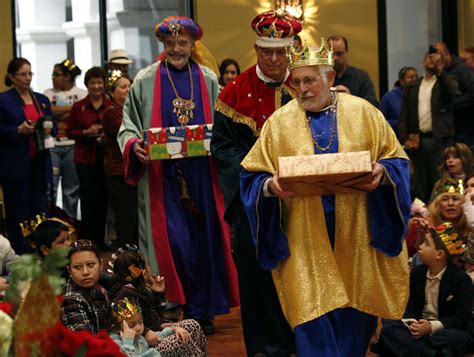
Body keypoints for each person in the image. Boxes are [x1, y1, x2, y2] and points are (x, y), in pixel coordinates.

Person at [239, 39, 412, 356]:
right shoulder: (279, 123)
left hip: (357, 234)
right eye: (297, 82)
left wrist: (382, 173)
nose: (302, 89)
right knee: (311, 315)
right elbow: (251, 175)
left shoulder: (365, 114)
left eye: (310, 80)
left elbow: (397, 161)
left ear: (330, 78)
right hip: (304, 239)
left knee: (354, 313)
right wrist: (270, 187)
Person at [117, 16, 239, 335]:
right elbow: (127, 124)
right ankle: (170, 303)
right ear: (162, 45)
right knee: (173, 239)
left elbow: (225, 125)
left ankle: (202, 308)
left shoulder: (209, 79)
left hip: (202, 175)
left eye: (182, 42)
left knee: (204, 239)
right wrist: (134, 146)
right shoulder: (144, 80)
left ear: (193, 45)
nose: (176, 48)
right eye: (170, 43)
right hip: (162, 177)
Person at [211, 9, 302, 356]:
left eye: (281, 52)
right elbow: (222, 148)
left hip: (302, 200)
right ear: (256, 49)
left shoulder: (304, 84)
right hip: (255, 206)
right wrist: (261, 180)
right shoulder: (234, 93)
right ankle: (266, 349)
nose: (275, 59)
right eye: (267, 52)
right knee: (259, 281)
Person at [373, 226, 473, 356]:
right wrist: (413, 323)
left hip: (442, 328)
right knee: (389, 327)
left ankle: (402, 347)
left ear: (439, 254)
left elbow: (461, 317)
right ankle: (431, 354)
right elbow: (411, 305)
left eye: (426, 244)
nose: (420, 246)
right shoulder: (418, 273)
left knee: (457, 338)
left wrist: (431, 327)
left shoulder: (461, 279)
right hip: (419, 325)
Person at [0, 57, 54, 254]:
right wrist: (17, 129)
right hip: (15, 163)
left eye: (29, 73)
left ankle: (39, 247)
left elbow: (51, 124)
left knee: (39, 206)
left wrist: (49, 130)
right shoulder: (3, 100)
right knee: (17, 209)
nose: (27, 78)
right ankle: (20, 251)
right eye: (22, 74)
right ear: (12, 77)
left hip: (39, 160)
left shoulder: (42, 100)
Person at [108, 248, 206, 352]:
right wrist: (146, 331)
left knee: (192, 325)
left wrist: (158, 294)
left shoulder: (140, 289)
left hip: (155, 332)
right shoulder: (124, 294)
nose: (149, 268)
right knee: (182, 340)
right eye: (147, 265)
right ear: (140, 271)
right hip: (140, 345)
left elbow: (154, 316)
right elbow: (123, 325)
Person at [398, 51, 459, 204]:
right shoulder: (413, 85)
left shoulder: (446, 81)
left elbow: (453, 92)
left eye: (436, 58)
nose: (432, 59)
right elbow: (404, 114)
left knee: (438, 179)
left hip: (439, 138)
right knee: (419, 182)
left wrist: (440, 70)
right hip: (417, 140)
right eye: (429, 57)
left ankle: (440, 213)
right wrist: (404, 138)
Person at [67, 67, 112, 250]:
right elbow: (70, 131)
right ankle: (87, 241)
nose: (96, 86)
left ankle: (100, 240)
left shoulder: (110, 105)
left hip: (106, 158)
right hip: (85, 158)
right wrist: (86, 132)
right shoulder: (79, 107)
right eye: (93, 82)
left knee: (103, 200)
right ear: (87, 85)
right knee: (87, 200)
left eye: (100, 82)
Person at [44, 59, 87, 219]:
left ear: (68, 76)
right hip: (53, 145)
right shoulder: (48, 93)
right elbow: (49, 112)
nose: (53, 77)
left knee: (71, 188)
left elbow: (81, 118)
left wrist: (59, 111)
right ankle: (50, 222)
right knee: (51, 187)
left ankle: (70, 223)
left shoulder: (82, 93)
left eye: (57, 74)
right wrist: (73, 108)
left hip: (73, 146)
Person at [102, 70, 137, 247]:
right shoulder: (110, 112)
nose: (128, 89)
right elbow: (128, 134)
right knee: (124, 214)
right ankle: (126, 252)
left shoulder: (131, 110)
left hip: (132, 168)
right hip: (118, 170)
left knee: (134, 213)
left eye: (129, 86)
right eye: (123, 87)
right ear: (112, 92)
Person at [110, 297, 205, 356]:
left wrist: (175, 328)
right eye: (132, 325)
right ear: (117, 328)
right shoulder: (116, 343)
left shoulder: (140, 338)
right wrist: (127, 340)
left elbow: (160, 335)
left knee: (191, 324)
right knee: (182, 341)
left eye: (141, 322)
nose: (139, 328)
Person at [61, 239, 109, 333]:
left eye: (91, 265)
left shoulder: (106, 282)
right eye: (78, 267)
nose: (85, 272)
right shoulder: (70, 300)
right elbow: (86, 343)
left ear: (101, 265)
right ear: (69, 270)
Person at [434, 42, 474, 147]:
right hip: (449, 127)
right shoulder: (440, 72)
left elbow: (471, 94)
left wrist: (452, 105)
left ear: (445, 54)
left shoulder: (462, 69)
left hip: (464, 125)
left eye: (437, 54)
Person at [327, 35, 379, 107]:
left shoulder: (361, 77)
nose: (335, 58)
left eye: (339, 54)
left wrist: (351, 99)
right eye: (331, 54)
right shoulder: (322, 78)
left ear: (347, 51)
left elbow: (373, 105)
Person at [380, 66, 418, 132]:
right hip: (395, 135)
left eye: (416, 77)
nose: (414, 80)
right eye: (411, 77)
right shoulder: (389, 97)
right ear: (402, 81)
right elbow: (381, 120)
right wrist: (400, 124)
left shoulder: (420, 95)